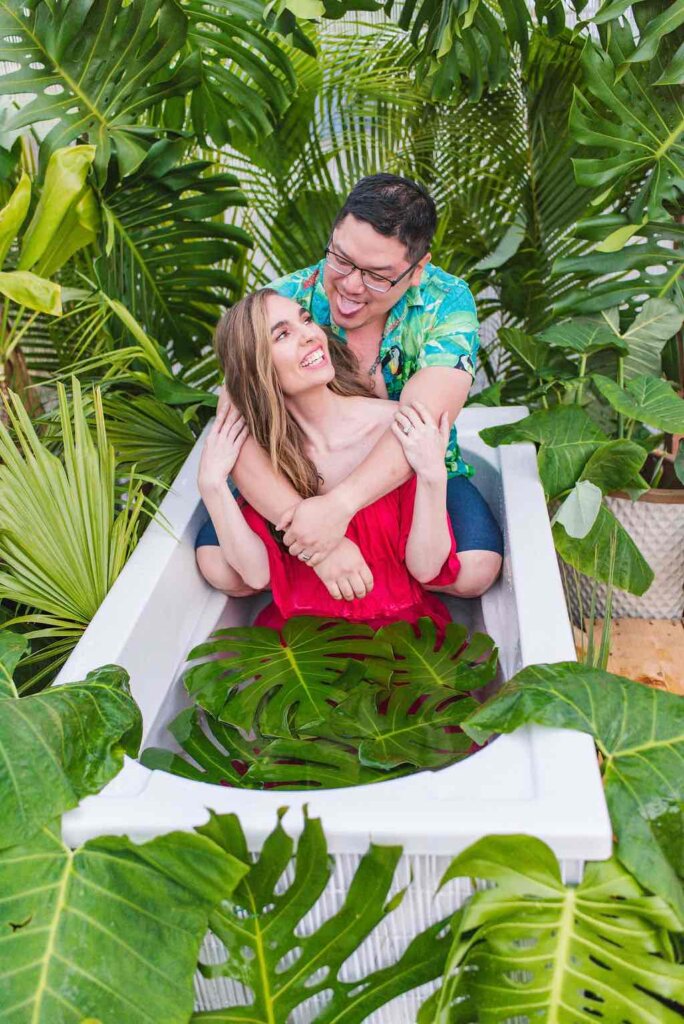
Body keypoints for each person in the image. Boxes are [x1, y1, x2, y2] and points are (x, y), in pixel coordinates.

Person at [224, 173, 503, 601]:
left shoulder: (446, 303)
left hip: (407, 476)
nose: (352, 285)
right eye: (342, 259)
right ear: (334, 236)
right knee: (228, 573)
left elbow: (422, 420)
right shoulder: (288, 298)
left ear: (417, 270)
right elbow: (237, 416)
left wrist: (339, 508)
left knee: (473, 572)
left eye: (377, 276)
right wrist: (316, 537)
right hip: (302, 476)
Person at [196, 290, 462, 631]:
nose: (309, 334)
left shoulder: (391, 429)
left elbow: (426, 569)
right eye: (283, 334)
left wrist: (432, 477)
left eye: (306, 320)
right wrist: (213, 487)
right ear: (257, 367)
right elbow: (256, 573)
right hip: (304, 641)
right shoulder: (269, 460)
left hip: (404, 636)